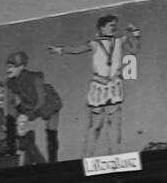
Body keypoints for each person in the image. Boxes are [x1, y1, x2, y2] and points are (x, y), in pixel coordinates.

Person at [49, 14, 141, 156]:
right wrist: (60, 50)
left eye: (115, 25)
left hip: (114, 86)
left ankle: (115, 155)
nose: (114, 28)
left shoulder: (120, 40)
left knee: (115, 123)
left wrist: (135, 34)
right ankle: (88, 157)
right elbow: (77, 49)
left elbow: (134, 50)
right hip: (99, 87)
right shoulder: (95, 43)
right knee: (96, 125)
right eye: (110, 25)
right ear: (101, 28)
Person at [4, 51, 63, 162]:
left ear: (21, 67)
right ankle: (12, 153)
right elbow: (10, 104)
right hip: (29, 103)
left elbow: (41, 100)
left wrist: (28, 115)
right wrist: (15, 118)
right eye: (7, 67)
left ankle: (53, 161)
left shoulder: (34, 77)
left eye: (11, 67)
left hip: (47, 102)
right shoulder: (10, 82)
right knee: (10, 119)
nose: (8, 70)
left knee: (51, 134)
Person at [0, 82, 43, 165]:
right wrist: (9, 140)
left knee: (30, 135)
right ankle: (42, 163)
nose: (3, 96)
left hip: (1, 142)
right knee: (26, 142)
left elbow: (8, 126)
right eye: (0, 93)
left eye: (3, 93)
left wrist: (18, 132)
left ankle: (28, 164)